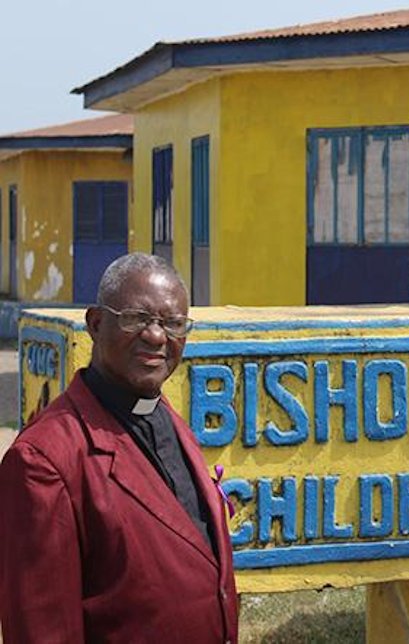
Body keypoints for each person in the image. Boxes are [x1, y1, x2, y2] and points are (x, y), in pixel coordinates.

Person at [0, 253, 238, 642]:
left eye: (174, 323)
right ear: (95, 323)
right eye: (136, 318)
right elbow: (42, 631)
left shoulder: (167, 420)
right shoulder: (45, 461)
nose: (157, 336)